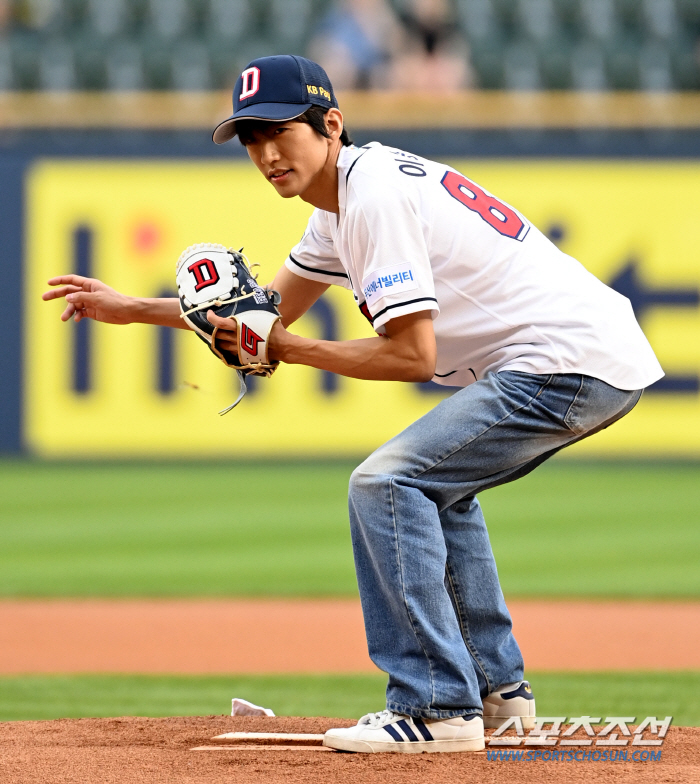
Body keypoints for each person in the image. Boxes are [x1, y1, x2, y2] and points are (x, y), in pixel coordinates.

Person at [44, 55, 664, 754]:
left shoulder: (372, 200)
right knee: (436, 493)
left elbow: (410, 357)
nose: (266, 152)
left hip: (564, 362)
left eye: (280, 130)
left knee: (386, 481)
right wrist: (133, 310)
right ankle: (498, 699)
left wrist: (289, 348)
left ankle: (436, 709)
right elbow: (259, 313)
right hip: (582, 357)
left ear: (331, 124)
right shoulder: (340, 208)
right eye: (250, 138)